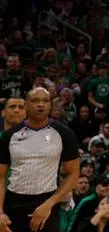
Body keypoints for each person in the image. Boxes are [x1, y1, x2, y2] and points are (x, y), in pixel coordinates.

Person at [0, 88, 81, 232]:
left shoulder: (65, 134)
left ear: (50, 105)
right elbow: (0, 176)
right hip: (13, 203)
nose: (41, 105)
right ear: (26, 105)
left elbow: (73, 175)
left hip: (47, 202)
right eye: (35, 101)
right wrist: (0, 212)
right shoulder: (9, 135)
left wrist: (49, 204)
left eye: (45, 101)